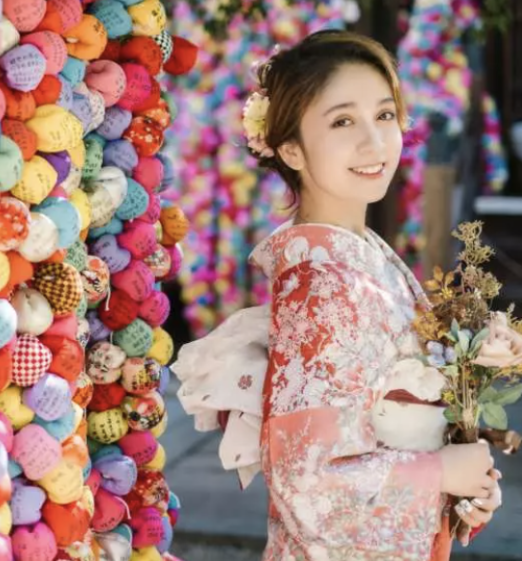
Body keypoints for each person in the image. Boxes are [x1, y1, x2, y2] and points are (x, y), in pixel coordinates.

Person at [171, 30, 502, 561]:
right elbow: (307, 481)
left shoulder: (359, 255)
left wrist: (462, 489)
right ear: (291, 148)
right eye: (343, 121)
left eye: (385, 115)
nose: (374, 142)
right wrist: (441, 471)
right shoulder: (321, 281)